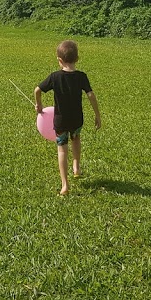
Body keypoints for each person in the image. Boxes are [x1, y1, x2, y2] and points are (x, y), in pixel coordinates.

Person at [34, 39, 102, 196]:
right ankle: (76, 166)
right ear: (77, 59)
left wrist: (39, 105)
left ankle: (65, 185)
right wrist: (97, 115)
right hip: (77, 119)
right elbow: (91, 95)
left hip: (60, 121)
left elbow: (37, 90)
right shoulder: (81, 76)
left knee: (62, 150)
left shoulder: (54, 77)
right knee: (76, 138)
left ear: (59, 60)